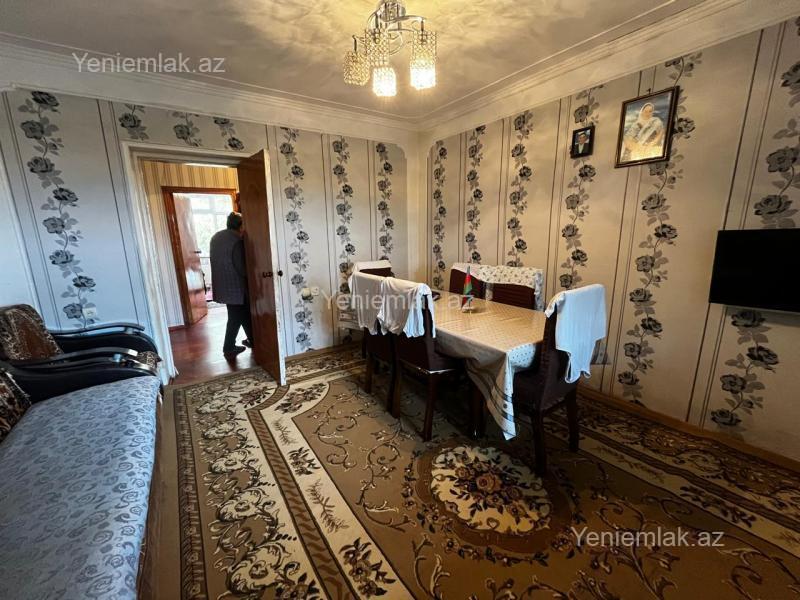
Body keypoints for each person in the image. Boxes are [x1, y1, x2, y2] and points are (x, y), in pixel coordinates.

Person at [209, 212, 253, 358]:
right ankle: (228, 347)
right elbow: (241, 267)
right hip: (235, 285)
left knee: (243, 312)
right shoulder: (237, 240)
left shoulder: (216, 237)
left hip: (222, 283)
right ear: (240, 226)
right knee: (236, 316)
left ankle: (252, 340)